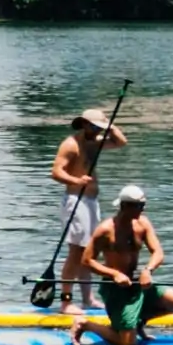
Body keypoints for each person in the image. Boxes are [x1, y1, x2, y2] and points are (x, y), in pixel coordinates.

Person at [70, 185, 173, 345]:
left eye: (143, 205)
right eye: (139, 206)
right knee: (128, 344)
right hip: (116, 289)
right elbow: (87, 261)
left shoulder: (143, 223)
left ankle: (137, 323)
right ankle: (85, 324)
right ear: (124, 206)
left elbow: (158, 252)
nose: (142, 209)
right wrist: (114, 274)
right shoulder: (105, 230)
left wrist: (148, 270)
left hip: (138, 282)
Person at [50, 106, 127, 312]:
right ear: (83, 124)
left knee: (89, 252)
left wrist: (110, 126)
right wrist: (77, 179)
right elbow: (56, 172)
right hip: (75, 200)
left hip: (91, 201)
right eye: (94, 126)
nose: (97, 130)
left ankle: (88, 299)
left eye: (99, 127)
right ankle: (66, 302)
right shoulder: (71, 145)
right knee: (76, 252)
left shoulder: (96, 143)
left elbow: (121, 142)